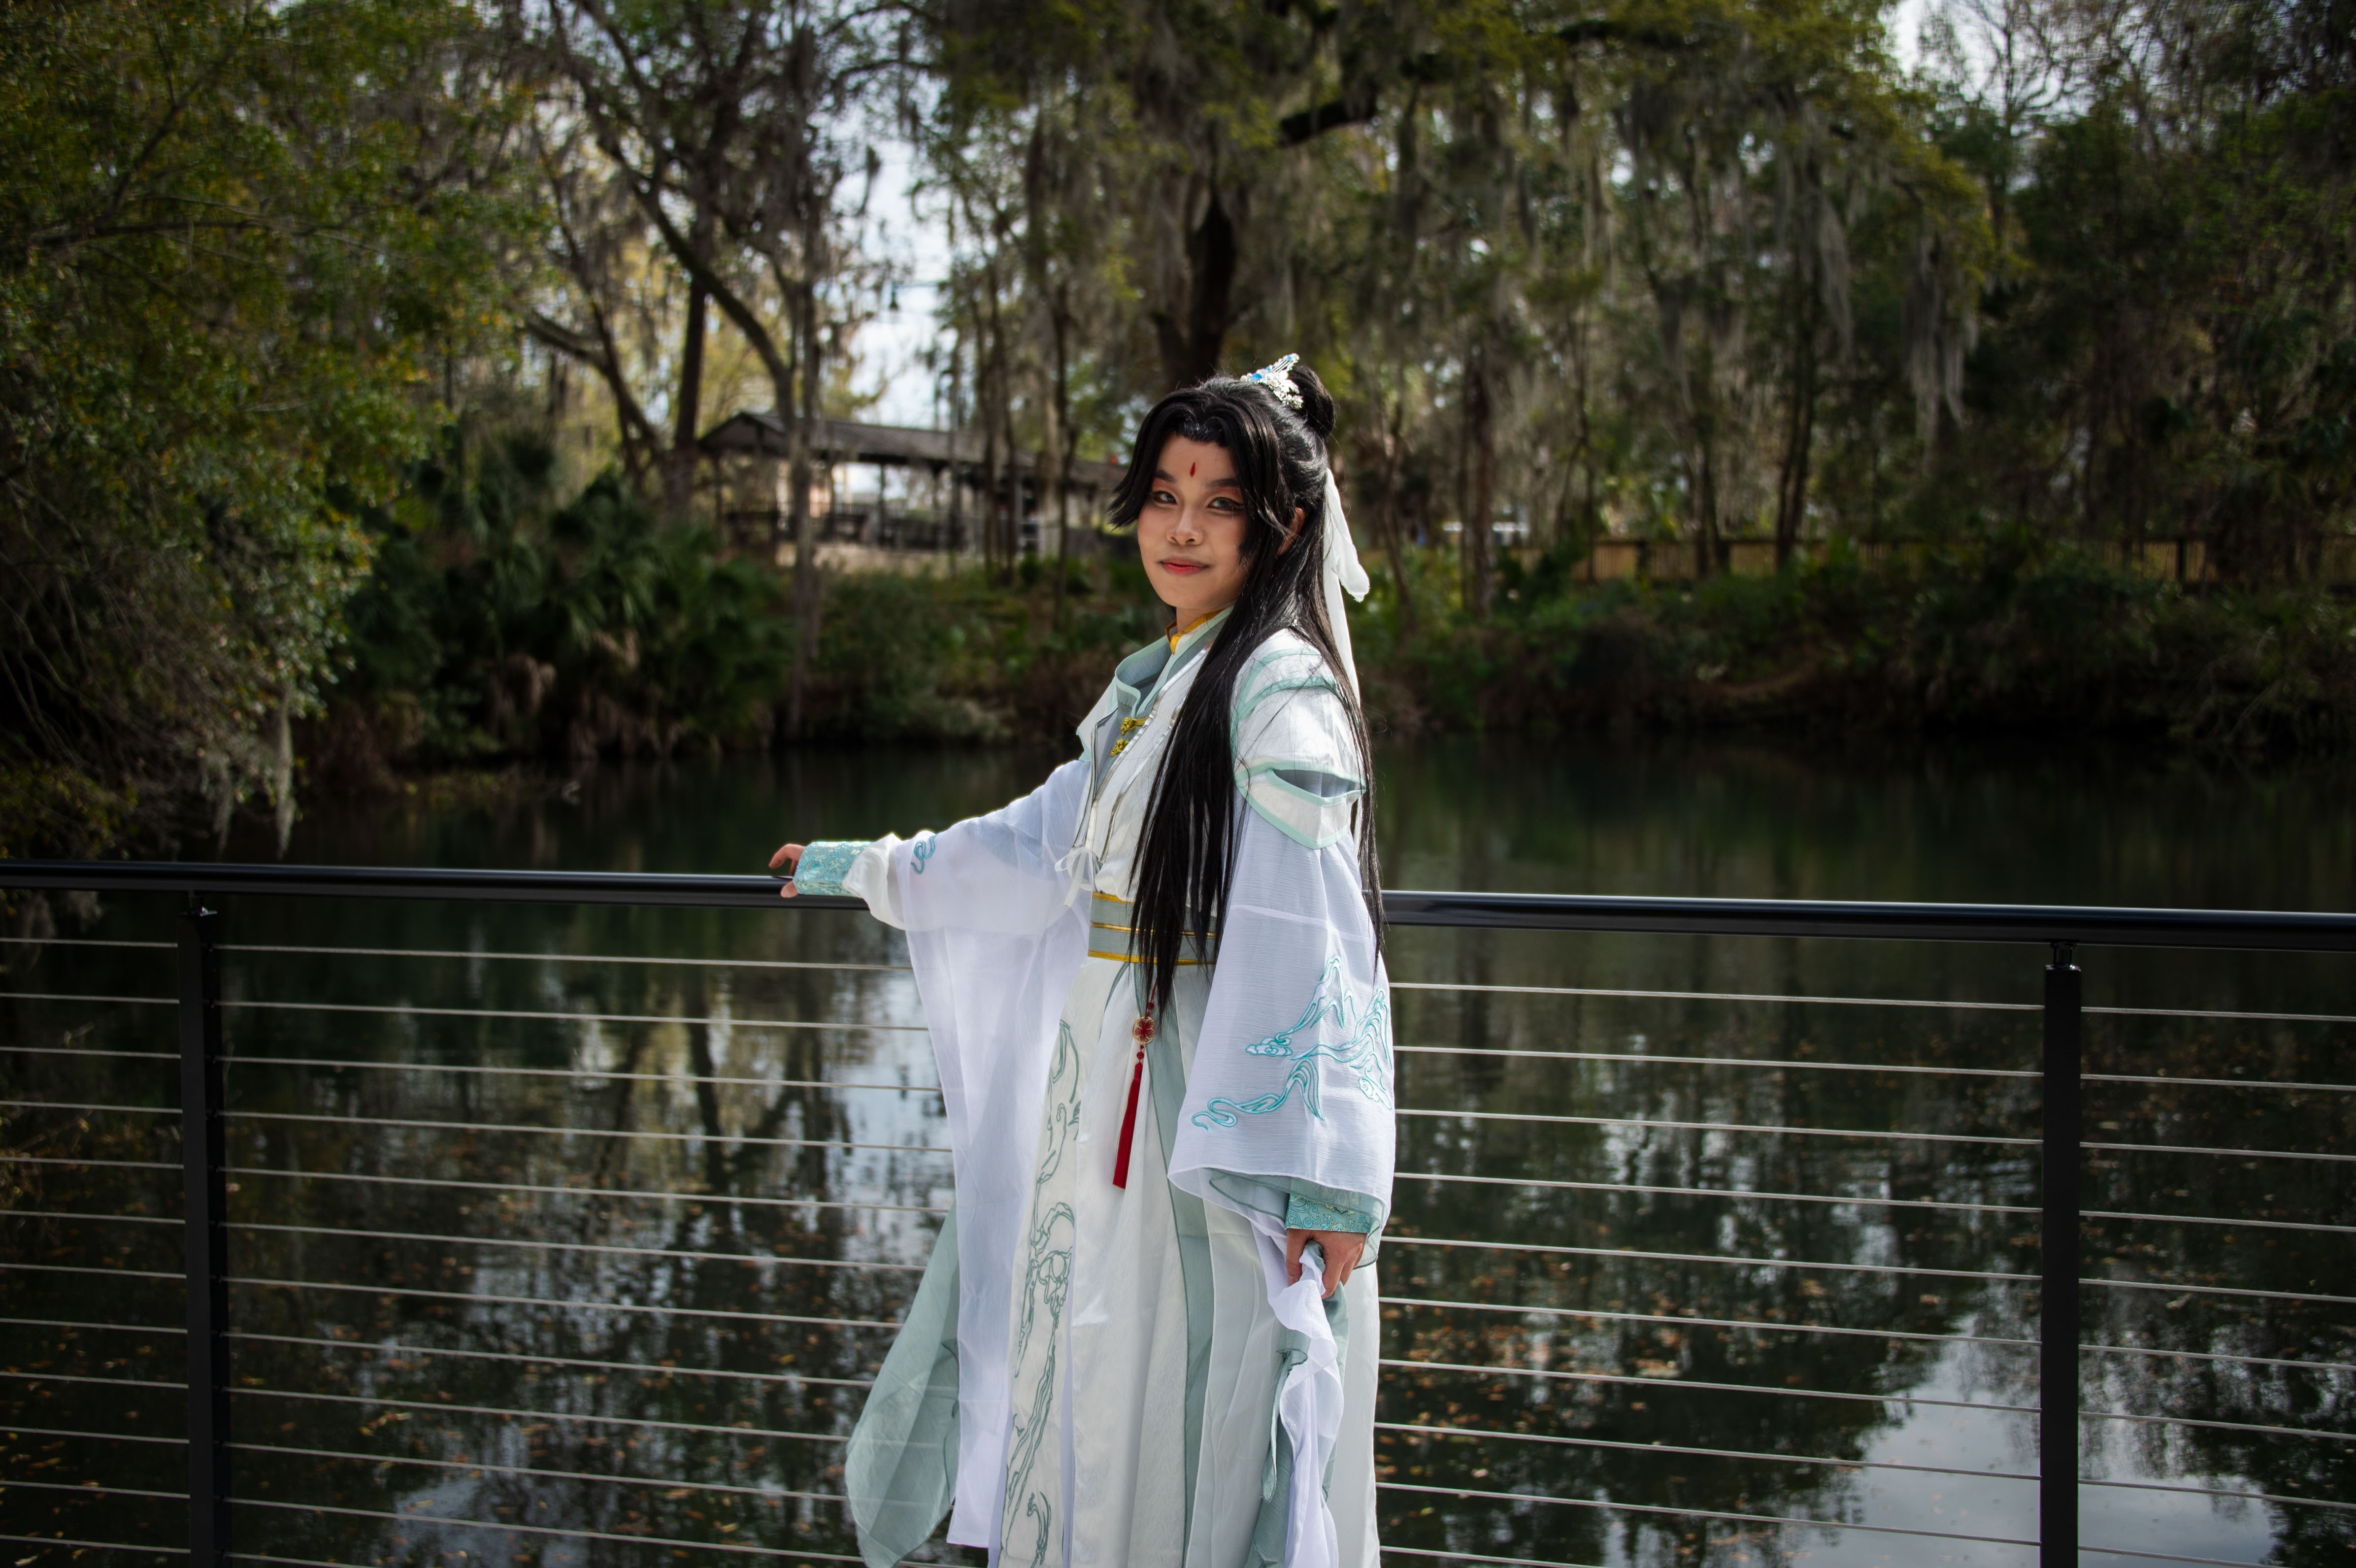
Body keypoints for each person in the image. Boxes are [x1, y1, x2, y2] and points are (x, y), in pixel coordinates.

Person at [769, 355, 1393, 1568]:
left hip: (1204, 1113)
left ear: (1282, 526)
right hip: (1105, 1092)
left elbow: (1319, 931)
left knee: (1193, 1393)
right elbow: (1032, 846)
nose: (1183, 527)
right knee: (1101, 1376)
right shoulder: (1157, 687)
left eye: (1220, 502)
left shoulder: (1276, 690)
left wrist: (1325, 1185)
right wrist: (866, 867)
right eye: (1164, 495)